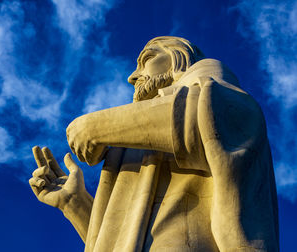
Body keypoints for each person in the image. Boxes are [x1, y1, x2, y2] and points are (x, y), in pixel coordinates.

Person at [29, 36, 279, 251]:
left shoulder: (209, 82)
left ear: (179, 56)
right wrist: (75, 203)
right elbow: (123, 241)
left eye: (145, 60)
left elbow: (215, 114)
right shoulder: (135, 140)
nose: (133, 76)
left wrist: (97, 127)